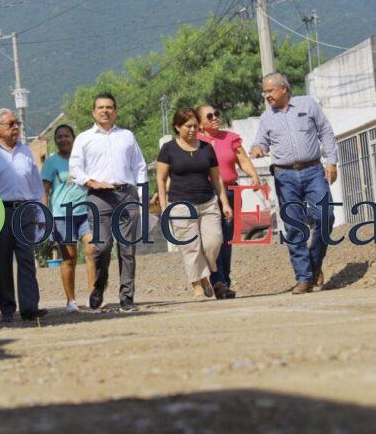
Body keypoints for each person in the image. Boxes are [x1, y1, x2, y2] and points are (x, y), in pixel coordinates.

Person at [250, 72, 338, 294]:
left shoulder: (307, 104)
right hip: (284, 176)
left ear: (284, 90)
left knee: (325, 216)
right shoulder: (266, 117)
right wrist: (258, 148)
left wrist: (332, 162)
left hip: (313, 171)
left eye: (270, 90)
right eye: (265, 91)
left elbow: (325, 131)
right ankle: (304, 277)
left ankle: (315, 262)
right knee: (293, 226)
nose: (266, 95)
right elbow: (261, 141)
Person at [0, 109, 48, 322]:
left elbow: (35, 186)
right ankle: (7, 310)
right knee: (1, 262)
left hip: (25, 212)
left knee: (26, 258)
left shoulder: (26, 151)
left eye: (17, 123)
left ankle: (30, 308)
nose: (16, 127)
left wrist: (41, 214)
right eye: (11, 124)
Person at [70, 92, 148, 312]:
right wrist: (92, 182)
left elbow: (140, 166)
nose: (105, 111)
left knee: (127, 249)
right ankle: (99, 286)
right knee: (102, 248)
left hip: (127, 195)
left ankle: (127, 297)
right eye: (100, 108)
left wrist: (141, 193)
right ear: (94, 112)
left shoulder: (127, 136)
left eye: (109, 107)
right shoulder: (84, 138)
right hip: (99, 197)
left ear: (115, 111)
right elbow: (75, 170)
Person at [157, 109, 233, 298]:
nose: (192, 130)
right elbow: (160, 179)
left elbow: (216, 179)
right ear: (177, 127)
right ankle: (198, 285)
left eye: (194, 126)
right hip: (180, 205)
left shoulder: (207, 148)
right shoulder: (168, 149)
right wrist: (164, 206)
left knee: (213, 242)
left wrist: (224, 203)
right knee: (190, 247)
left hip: (207, 203)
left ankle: (206, 273)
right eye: (187, 126)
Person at [196, 104, 260, 299]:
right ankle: (217, 280)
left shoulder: (230, 138)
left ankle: (223, 281)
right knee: (213, 240)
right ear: (200, 123)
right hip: (208, 194)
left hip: (232, 192)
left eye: (217, 114)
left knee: (227, 240)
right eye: (209, 115)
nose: (215, 117)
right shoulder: (196, 141)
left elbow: (243, 159)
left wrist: (253, 175)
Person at [41, 124, 97, 313]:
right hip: (61, 215)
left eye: (66, 136)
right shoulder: (51, 162)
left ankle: (93, 297)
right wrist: (44, 214)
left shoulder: (83, 159)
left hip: (86, 212)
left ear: (74, 138)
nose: (63, 139)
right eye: (59, 137)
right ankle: (71, 301)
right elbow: (45, 190)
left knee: (92, 251)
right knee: (69, 258)